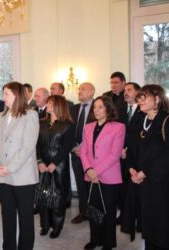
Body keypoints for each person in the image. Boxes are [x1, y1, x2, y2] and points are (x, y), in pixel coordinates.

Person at [0, 81, 39, 250]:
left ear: (17, 95)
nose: (3, 98)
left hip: (22, 175)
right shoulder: (1, 116)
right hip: (2, 175)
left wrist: (9, 167)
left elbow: (27, 147)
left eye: (6, 94)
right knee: (7, 216)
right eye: (3, 94)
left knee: (25, 218)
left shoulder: (30, 115)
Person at [127, 85, 169, 250]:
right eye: (139, 97)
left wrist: (146, 172)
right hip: (142, 182)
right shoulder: (139, 119)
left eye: (144, 97)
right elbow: (132, 148)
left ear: (157, 99)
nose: (139, 100)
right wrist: (131, 167)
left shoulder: (166, 119)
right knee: (148, 225)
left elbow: (166, 155)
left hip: (161, 182)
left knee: (162, 226)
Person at [80, 96, 125, 250]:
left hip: (109, 176)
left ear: (108, 108)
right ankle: (95, 239)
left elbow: (115, 154)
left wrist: (96, 171)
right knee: (93, 210)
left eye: (100, 107)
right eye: (95, 107)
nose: (97, 110)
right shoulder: (88, 127)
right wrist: (88, 169)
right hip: (90, 175)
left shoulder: (118, 127)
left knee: (108, 212)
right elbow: (83, 151)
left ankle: (108, 242)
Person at [37, 95, 74, 239]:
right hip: (42, 164)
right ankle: (45, 225)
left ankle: (57, 226)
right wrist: (39, 161)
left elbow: (66, 147)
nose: (47, 105)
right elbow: (36, 145)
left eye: (50, 103)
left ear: (58, 105)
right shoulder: (41, 123)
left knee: (58, 197)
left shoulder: (68, 124)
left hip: (59, 165)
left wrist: (54, 163)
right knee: (43, 195)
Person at [116, 82, 142, 225]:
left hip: (137, 156)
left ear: (137, 93)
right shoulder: (119, 110)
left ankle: (138, 215)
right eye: (125, 90)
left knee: (136, 187)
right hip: (120, 154)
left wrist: (129, 151)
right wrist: (119, 149)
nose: (125, 92)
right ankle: (124, 214)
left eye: (129, 90)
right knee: (123, 188)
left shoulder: (143, 110)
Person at [70, 82, 95, 224]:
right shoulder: (73, 109)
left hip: (91, 154)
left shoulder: (98, 107)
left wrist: (84, 148)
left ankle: (93, 213)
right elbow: (69, 130)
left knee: (92, 185)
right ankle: (83, 212)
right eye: (79, 89)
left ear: (91, 92)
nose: (79, 91)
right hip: (75, 153)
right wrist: (73, 147)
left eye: (83, 89)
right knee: (80, 184)